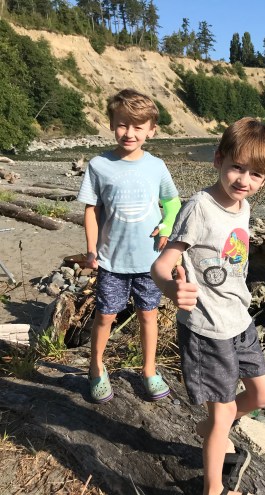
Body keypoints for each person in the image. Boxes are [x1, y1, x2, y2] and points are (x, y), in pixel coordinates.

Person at [151, 117, 265, 495]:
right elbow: (160, 266)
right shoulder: (199, 208)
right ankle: (213, 488)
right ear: (218, 159)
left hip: (239, 320)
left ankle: (210, 429)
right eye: (237, 167)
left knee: (264, 394)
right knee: (222, 413)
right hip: (207, 328)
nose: (244, 180)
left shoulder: (243, 208)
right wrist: (171, 290)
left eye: (255, 174)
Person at [77, 88, 181, 403]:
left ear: (151, 130)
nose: (129, 133)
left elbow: (172, 202)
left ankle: (149, 370)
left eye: (138, 127)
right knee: (105, 316)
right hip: (111, 260)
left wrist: (166, 225)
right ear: (111, 124)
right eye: (122, 124)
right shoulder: (99, 165)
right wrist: (92, 249)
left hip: (150, 260)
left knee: (148, 314)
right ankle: (96, 367)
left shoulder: (156, 165)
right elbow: (91, 210)